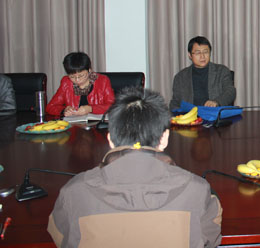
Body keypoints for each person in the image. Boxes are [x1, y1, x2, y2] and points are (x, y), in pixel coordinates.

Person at [47, 87, 222, 247]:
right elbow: (211, 240)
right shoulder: (197, 190)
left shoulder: (74, 192)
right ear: (164, 138)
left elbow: (61, 239)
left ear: (110, 140)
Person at [169, 36, 236, 111]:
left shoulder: (222, 71)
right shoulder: (180, 77)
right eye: (198, 53)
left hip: (215, 115)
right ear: (190, 55)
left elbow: (230, 92)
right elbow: (175, 102)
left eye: (205, 52)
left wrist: (216, 102)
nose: (202, 56)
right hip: (190, 116)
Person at [46, 52, 115, 119]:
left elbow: (113, 106)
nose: (77, 80)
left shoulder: (103, 81)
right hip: (74, 124)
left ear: (89, 70)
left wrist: (91, 109)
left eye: (81, 75)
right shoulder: (66, 82)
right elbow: (51, 107)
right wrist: (64, 110)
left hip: (97, 124)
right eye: (72, 76)